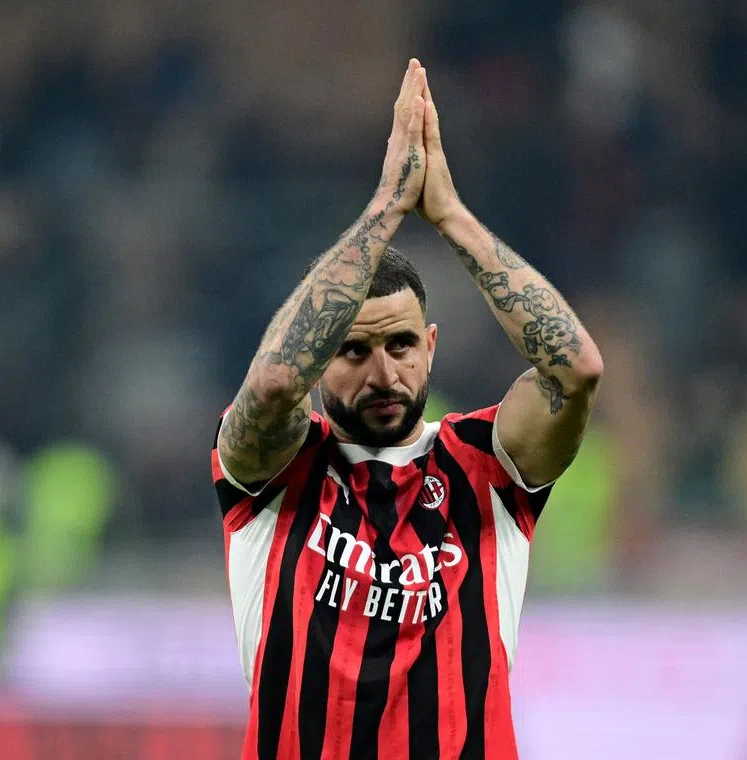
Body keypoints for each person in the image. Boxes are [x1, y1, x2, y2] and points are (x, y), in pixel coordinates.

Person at [211, 58, 603, 760]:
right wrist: (385, 210)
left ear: (429, 346)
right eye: (353, 352)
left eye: (399, 345)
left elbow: (575, 370)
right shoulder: (274, 471)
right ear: (320, 359)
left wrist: (449, 215)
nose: (383, 372)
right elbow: (271, 385)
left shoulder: (487, 464)